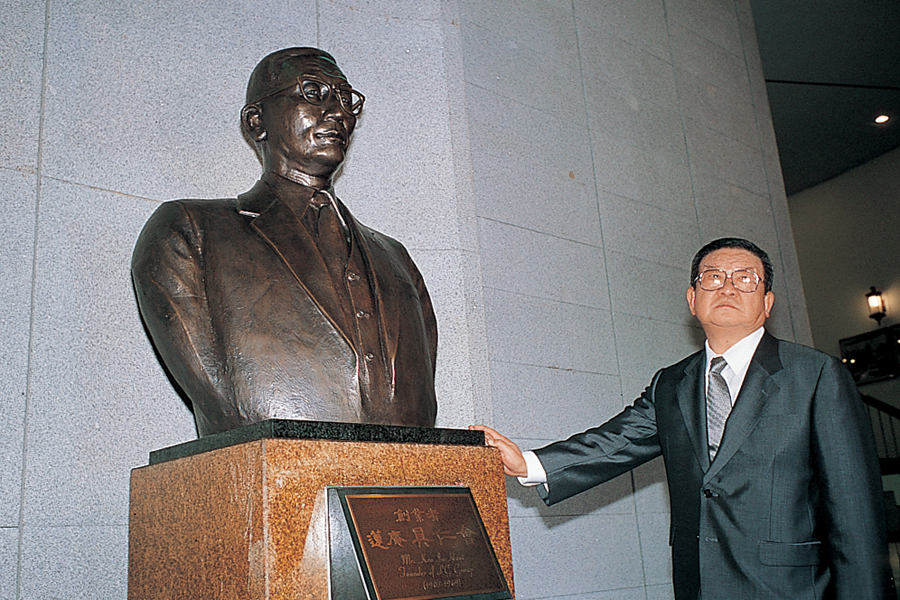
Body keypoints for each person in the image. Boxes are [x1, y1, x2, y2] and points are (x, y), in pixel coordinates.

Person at [472, 237, 892, 600]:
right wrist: (528, 462)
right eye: (712, 277)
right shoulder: (672, 383)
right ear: (693, 299)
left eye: (745, 278)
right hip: (699, 585)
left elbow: (855, 514)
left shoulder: (816, 375)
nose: (727, 286)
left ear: (767, 303)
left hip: (791, 588)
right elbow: (617, 440)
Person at [132, 47, 437, 436]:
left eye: (346, 100)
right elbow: (222, 399)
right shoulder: (190, 232)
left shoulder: (394, 258)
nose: (340, 113)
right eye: (313, 91)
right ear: (257, 121)